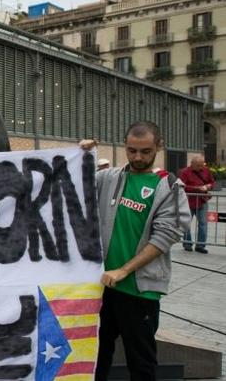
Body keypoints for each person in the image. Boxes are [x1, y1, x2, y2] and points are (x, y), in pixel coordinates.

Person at [80, 121, 190, 381]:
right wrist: (81, 155)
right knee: (97, 354)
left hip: (140, 290)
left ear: (158, 147)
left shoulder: (171, 187)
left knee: (141, 361)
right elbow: (74, 184)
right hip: (103, 286)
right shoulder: (110, 177)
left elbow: (166, 237)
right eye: (132, 151)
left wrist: (123, 270)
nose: (138, 157)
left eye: (145, 151)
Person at [179, 155, 215, 253]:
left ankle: (200, 245)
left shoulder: (206, 170)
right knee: (186, 223)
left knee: (203, 224)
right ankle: (187, 243)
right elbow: (182, 186)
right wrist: (197, 188)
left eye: (202, 165)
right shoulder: (185, 172)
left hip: (202, 201)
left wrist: (208, 186)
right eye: (198, 165)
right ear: (192, 164)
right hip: (188, 201)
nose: (201, 167)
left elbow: (212, 182)